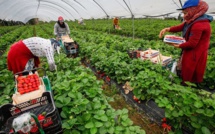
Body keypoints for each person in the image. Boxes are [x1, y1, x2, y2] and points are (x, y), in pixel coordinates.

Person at [159, 0, 213, 86]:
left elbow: (192, 44)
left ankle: (187, 87)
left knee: (190, 70)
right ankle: (186, 83)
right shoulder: (193, 19)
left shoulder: (199, 24)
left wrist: (178, 45)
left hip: (195, 53)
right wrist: (167, 29)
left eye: (186, 13)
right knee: (186, 68)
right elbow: (182, 26)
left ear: (194, 10)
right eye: (183, 13)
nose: (184, 16)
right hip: (191, 50)